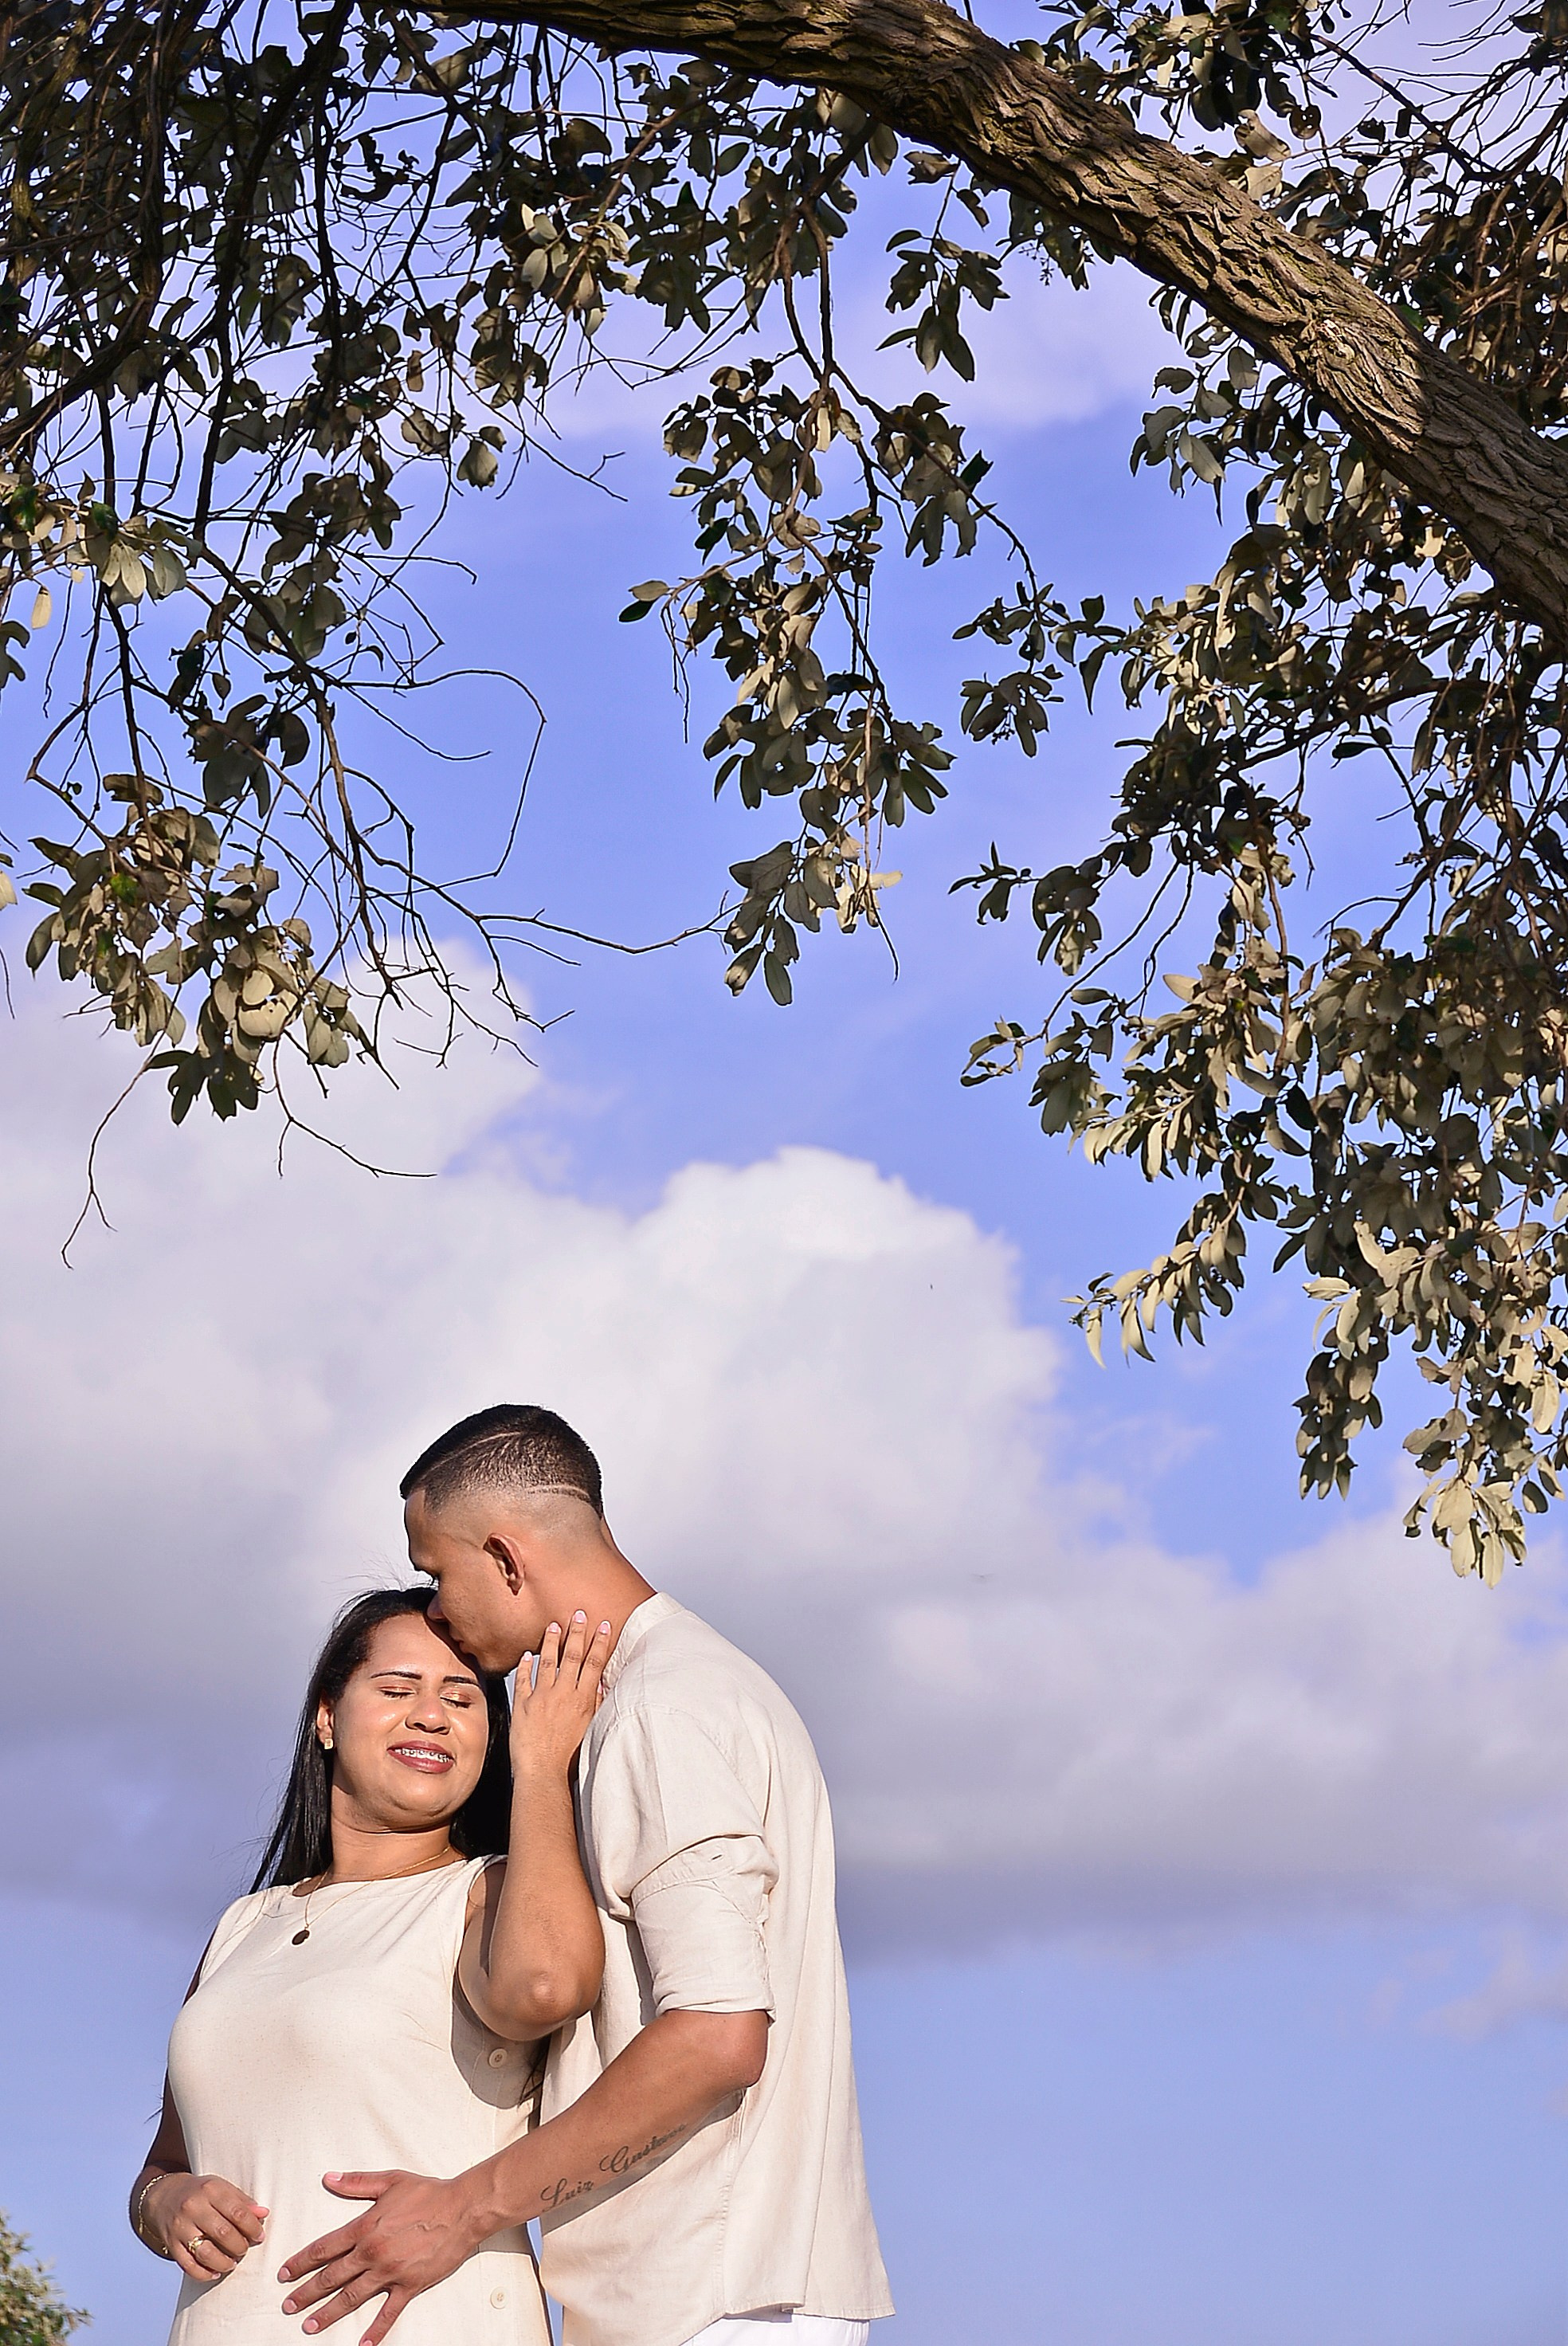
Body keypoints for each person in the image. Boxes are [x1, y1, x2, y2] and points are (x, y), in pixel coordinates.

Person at [277, 1403, 893, 2346]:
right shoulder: (670, 1691)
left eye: (438, 1573)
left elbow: (718, 2035)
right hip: (712, 2291)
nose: (436, 1607)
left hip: (716, 2295)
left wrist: (463, 2208)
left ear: (508, 1559)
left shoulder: (660, 1710)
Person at [129, 1583, 611, 2344]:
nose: (431, 1714)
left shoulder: (485, 1894)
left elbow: (546, 1986)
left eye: (464, 1698)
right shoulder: (242, 1926)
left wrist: (545, 1766)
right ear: (327, 1716)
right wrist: (166, 2205)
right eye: (398, 1688)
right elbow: (166, 2161)